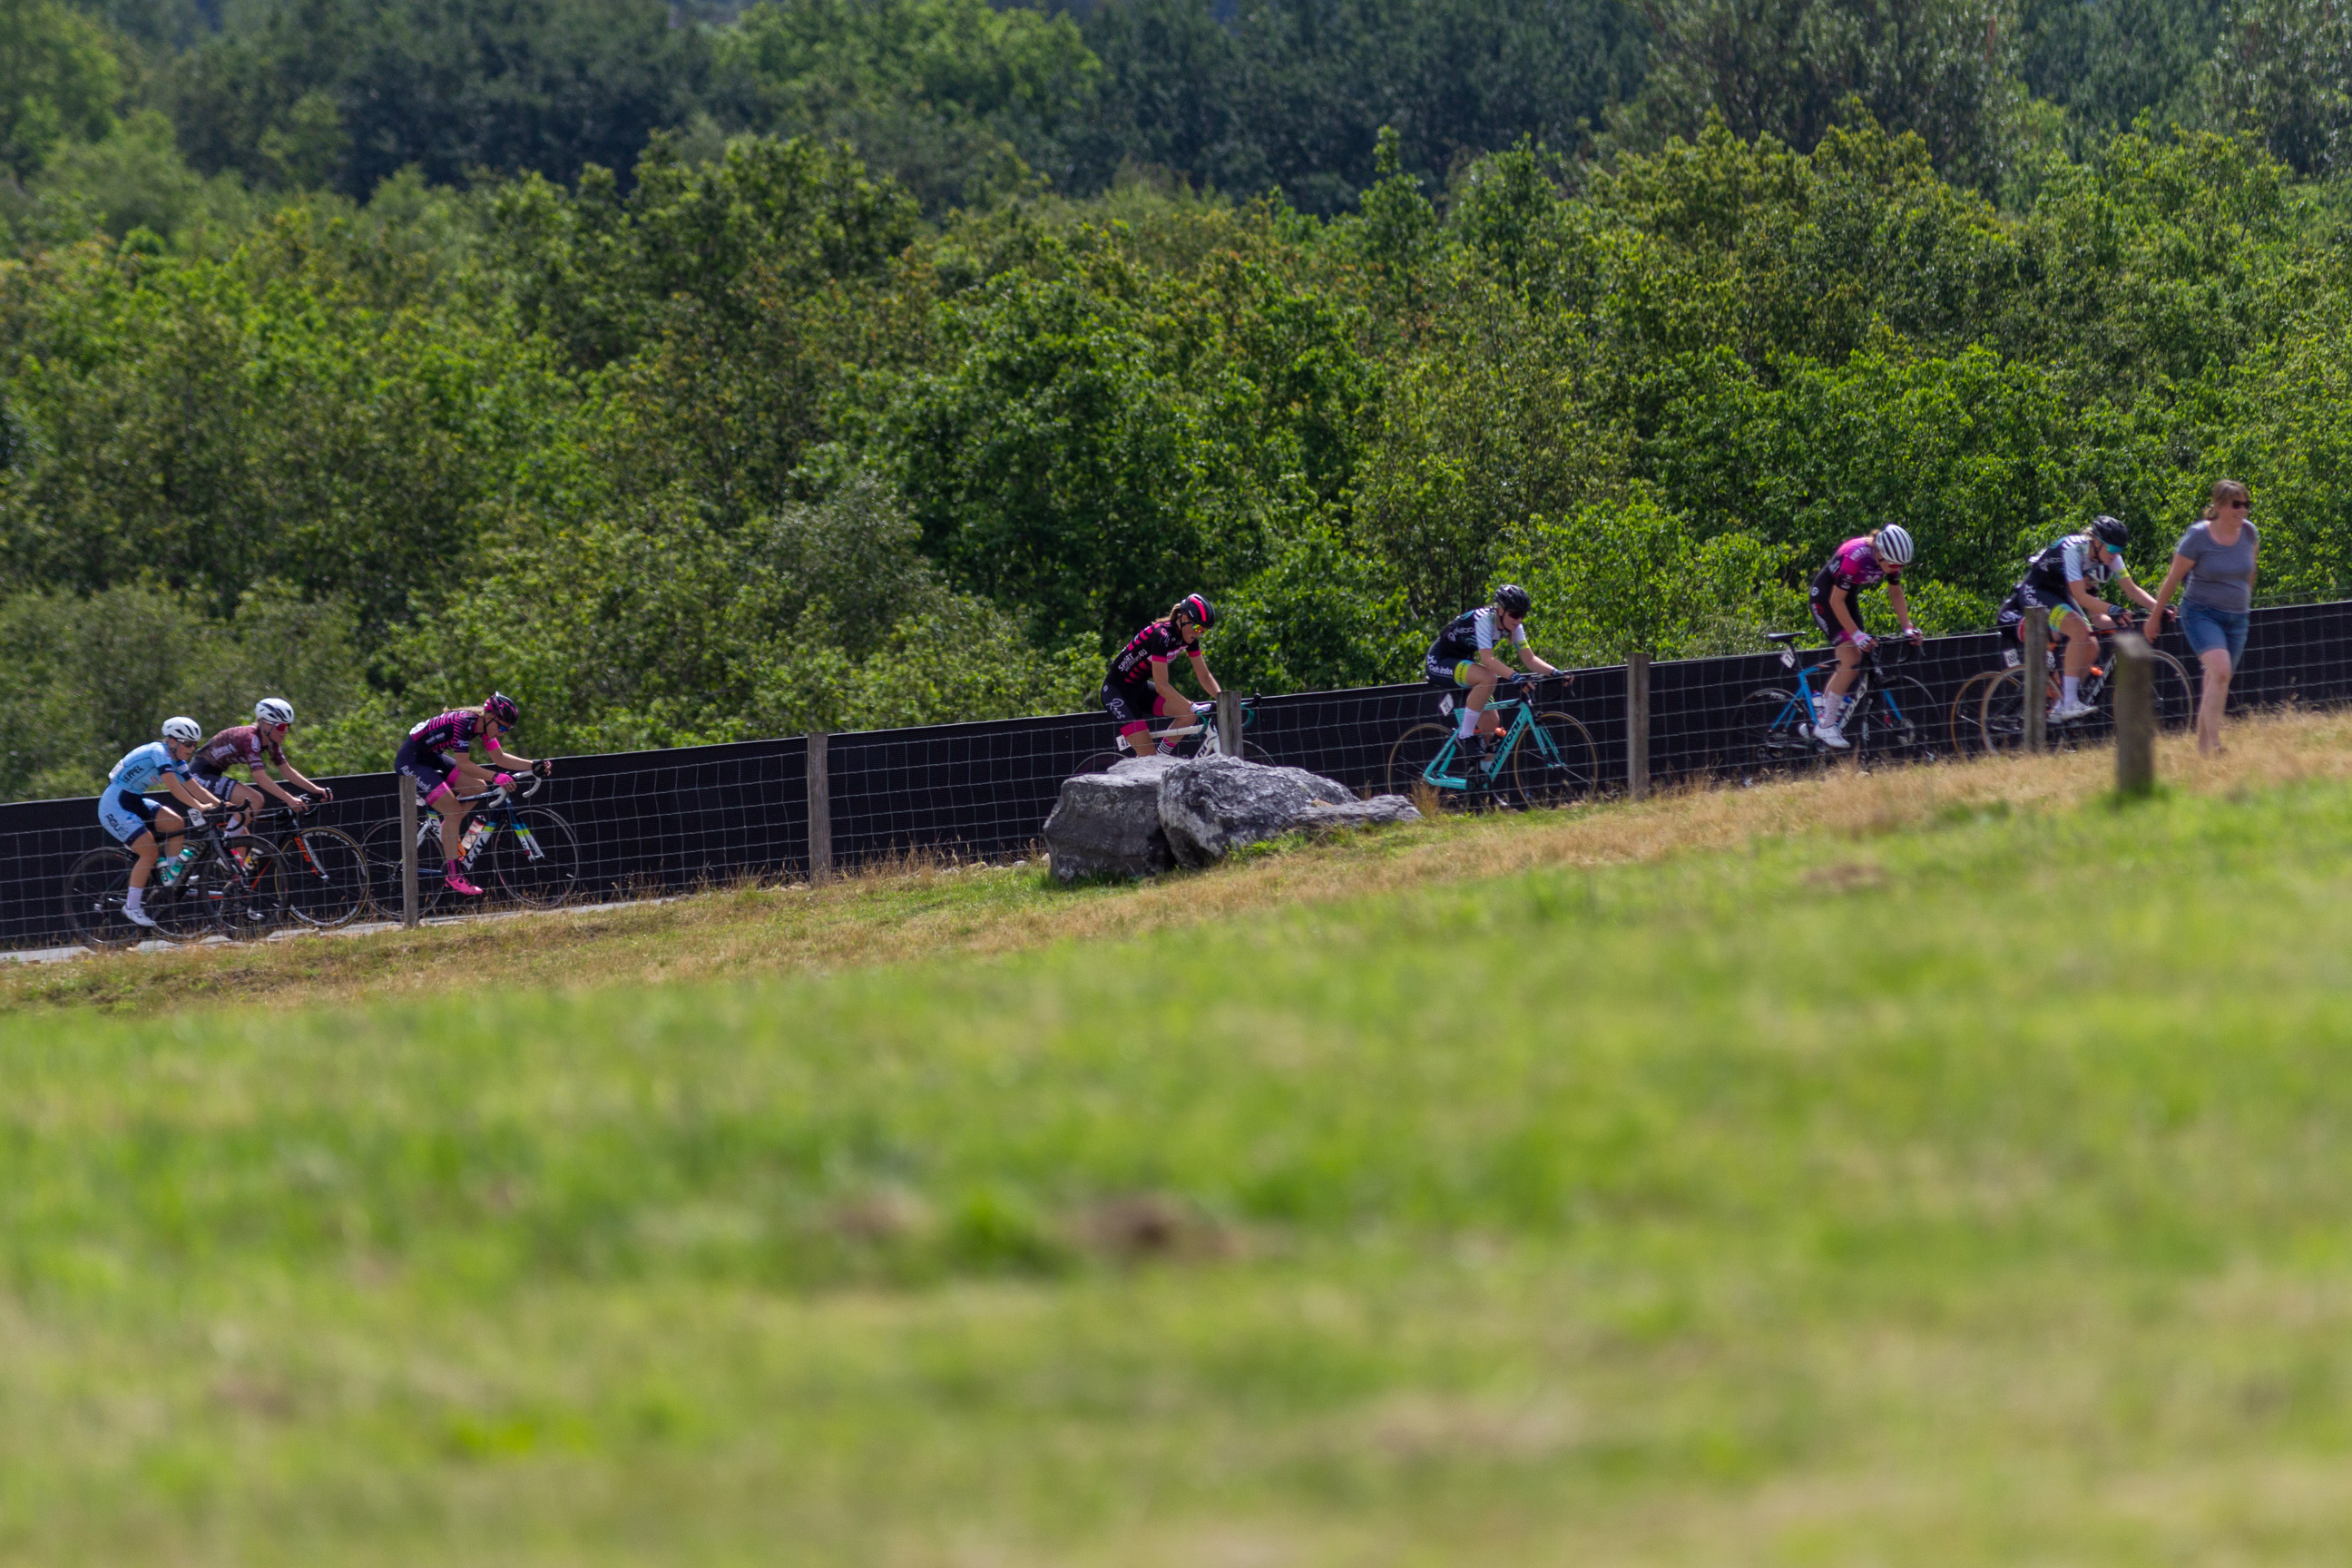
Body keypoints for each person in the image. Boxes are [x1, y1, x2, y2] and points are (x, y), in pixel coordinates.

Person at [1996, 515, 2160, 721]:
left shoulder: (2111, 557)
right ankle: (2069, 702)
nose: (2115, 555)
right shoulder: (2073, 549)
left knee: (2091, 643)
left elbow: (2132, 590)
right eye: (2112, 550)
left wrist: (2158, 608)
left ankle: (2060, 702)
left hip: (2059, 593)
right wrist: (2114, 610)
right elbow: (2081, 597)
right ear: (2097, 542)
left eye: (2120, 551)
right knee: (2078, 630)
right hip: (2036, 590)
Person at [395, 692, 551, 897]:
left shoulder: (485, 726)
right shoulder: (464, 723)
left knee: (478, 787)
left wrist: (534, 764)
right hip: (411, 762)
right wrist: (496, 777)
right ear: (489, 717)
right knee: (452, 809)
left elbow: (500, 758)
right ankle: (453, 876)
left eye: (508, 729)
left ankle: (448, 829)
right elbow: (464, 764)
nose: (503, 733)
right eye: (502, 727)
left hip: (431, 757)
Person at [2146, 479, 2259, 755]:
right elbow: (2173, 578)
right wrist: (2155, 616)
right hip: (2201, 613)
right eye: (2236, 504)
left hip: (2238, 617)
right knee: (2221, 671)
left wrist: (2245, 599)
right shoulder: (2198, 537)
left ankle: (2203, 750)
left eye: (2246, 504)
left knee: (2216, 680)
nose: (2243, 509)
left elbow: (2251, 571)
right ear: (2219, 505)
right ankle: (2216, 744)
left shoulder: (2249, 533)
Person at [99, 716, 225, 929]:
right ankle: (131, 907)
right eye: (187, 743)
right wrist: (200, 807)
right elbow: (175, 788)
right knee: (149, 852)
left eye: (194, 744)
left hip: (135, 799)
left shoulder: (178, 760)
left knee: (176, 824)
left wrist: (220, 803)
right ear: (172, 741)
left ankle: (171, 875)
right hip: (115, 803)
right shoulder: (158, 752)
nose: (191, 748)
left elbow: (195, 787)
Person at [1808, 525, 1924, 750]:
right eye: (1893, 564)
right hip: (1826, 600)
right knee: (1851, 658)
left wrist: (1907, 627)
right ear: (1880, 553)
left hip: (1846, 598)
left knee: (1859, 654)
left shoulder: (1889, 557)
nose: (1896, 569)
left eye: (1900, 566)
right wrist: (1856, 635)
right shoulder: (1856, 556)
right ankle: (1826, 725)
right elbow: (1834, 602)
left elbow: (1895, 591)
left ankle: (1821, 714)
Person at [1424, 584, 1563, 755]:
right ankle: (1465, 736)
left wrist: (1556, 672)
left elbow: (1530, 659)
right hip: (1440, 660)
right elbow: (1488, 659)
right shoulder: (1484, 619)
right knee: (1488, 677)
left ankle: (1479, 778)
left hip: (1463, 661)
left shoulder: (1515, 626)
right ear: (1501, 610)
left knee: (1491, 726)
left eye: (1522, 615)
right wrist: (1515, 677)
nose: (1518, 620)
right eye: (1515, 614)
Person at [191, 698, 336, 835]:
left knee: (242, 840)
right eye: (281, 726)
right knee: (256, 800)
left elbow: (286, 770)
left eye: (288, 726)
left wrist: (316, 790)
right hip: (199, 774)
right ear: (266, 724)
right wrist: (289, 799)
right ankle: (227, 843)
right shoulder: (251, 738)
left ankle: (230, 853)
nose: (286, 731)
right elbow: (260, 777)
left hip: (213, 774)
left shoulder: (271, 741)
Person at [1103, 594, 1224, 756]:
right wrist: (1193, 705)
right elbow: (1162, 686)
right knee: (1149, 757)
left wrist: (1225, 700)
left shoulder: (1189, 639)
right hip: (1117, 692)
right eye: (1198, 628)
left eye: (1203, 630)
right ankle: (1155, 763)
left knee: (1188, 716)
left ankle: (1162, 757)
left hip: (1140, 688)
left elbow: (1204, 676)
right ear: (1185, 618)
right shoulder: (1161, 636)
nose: (1199, 634)